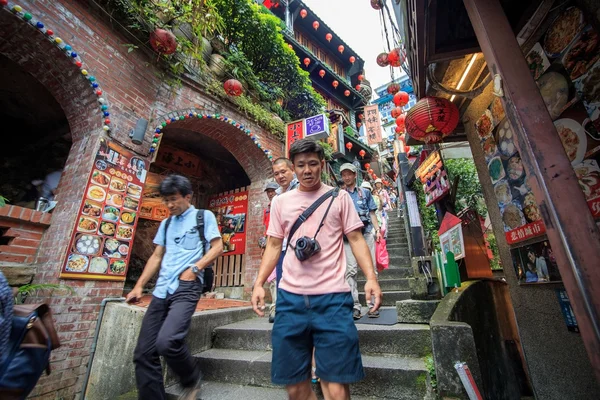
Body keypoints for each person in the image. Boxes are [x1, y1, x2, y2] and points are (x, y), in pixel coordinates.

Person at [252, 139, 382, 400]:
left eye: (313, 164)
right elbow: (275, 245)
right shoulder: (281, 202)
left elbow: (356, 238)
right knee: (296, 388)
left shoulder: (340, 198)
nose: (307, 170)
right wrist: (259, 283)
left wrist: (371, 278)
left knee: (336, 388)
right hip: (290, 300)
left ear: (322, 165)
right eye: (301, 165)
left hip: (333, 299)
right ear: (293, 168)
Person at [126, 174, 223, 400]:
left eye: (174, 199)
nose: (169, 205)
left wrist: (195, 269)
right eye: (166, 200)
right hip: (161, 290)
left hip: (187, 287)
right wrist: (138, 286)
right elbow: (156, 256)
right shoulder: (166, 223)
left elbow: (217, 248)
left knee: (168, 341)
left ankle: (191, 381)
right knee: (143, 353)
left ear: (187, 196)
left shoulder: (203, 216)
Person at [341, 164, 382, 319]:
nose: (346, 177)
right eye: (344, 175)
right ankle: (354, 306)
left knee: (371, 269)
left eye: (349, 174)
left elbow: (372, 213)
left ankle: (373, 305)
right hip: (347, 237)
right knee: (350, 271)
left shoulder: (364, 193)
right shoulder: (340, 195)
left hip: (366, 234)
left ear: (354, 175)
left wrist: (377, 230)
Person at [262, 181, 279, 322]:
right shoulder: (267, 209)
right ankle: (274, 308)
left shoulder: (282, 204)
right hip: (270, 245)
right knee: (273, 278)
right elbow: (266, 229)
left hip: (283, 245)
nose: (270, 193)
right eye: (268, 191)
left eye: (272, 190)